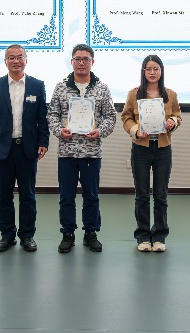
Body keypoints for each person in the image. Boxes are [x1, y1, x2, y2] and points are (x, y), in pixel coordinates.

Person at [47, 43, 116, 253]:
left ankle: (90, 233)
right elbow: (52, 115)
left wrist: (100, 131)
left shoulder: (102, 88)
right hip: (67, 151)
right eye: (77, 59)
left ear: (92, 62)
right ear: (72, 62)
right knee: (66, 196)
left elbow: (110, 116)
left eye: (86, 59)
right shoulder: (61, 87)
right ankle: (67, 233)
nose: (81, 63)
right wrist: (59, 130)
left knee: (91, 196)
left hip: (91, 152)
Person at [0, 44, 49, 253]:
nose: (16, 61)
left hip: (27, 149)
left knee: (28, 195)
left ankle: (27, 235)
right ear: (5, 62)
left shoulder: (37, 86)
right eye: (11, 57)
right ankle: (7, 235)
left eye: (19, 57)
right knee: (4, 195)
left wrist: (44, 142)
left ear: (26, 60)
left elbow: (42, 118)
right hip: (3, 149)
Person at [121, 55, 182, 253]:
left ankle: (159, 236)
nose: (152, 72)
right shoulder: (134, 94)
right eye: (148, 69)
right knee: (141, 194)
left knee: (161, 194)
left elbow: (178, 116)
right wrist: (136, 130)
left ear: (161, 71)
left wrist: (173, 121)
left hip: (163, 148)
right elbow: (126, 118)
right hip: (141, 148)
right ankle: (143, 236)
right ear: (143, 71)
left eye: (156, 69)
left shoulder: (170, 94)